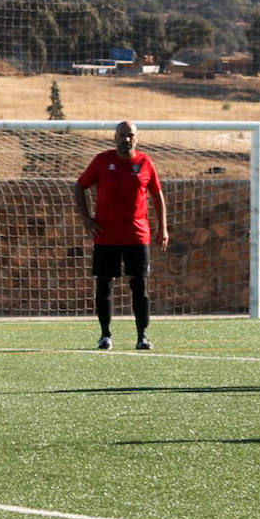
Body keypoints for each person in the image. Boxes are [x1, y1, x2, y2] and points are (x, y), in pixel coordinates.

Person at [73, 120, 169, 350]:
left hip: (137, 237)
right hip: (106, 236)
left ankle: (142, 336)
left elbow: (157, 196)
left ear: (137, 138)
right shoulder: (102, 161)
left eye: (131, 135)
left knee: (140, 287)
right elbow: (79, 186)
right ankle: (105, 335)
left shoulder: (146, 163)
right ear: (114, 137)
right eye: (122, 135)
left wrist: (162, 228)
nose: (126, 139)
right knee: (104, 286)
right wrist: (87, 219)